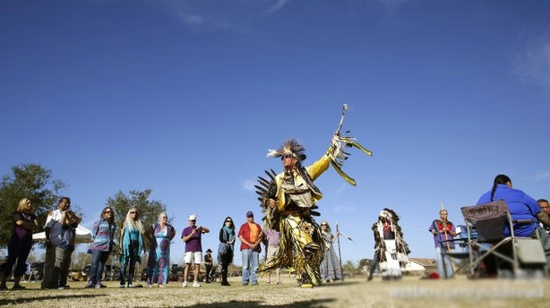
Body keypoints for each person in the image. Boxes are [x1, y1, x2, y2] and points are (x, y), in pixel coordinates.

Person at [477, 174, 550, 266]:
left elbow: (476, 218)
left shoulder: (484, 197)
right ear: (508, 183)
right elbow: (540, 215)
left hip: (497, 236)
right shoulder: (519, 194)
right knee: (547, 243)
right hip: (523, 230)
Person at [41, 197, 80, 290]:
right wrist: (47, 240)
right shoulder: (53, 213)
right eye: (65, 203)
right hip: (54, 241)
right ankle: (46, 283)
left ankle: (60, 283)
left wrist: (70, 214)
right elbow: (47, 227)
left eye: (68, 203)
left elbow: (78, 219)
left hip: (64, 243)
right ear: (59, 204)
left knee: (62, 264)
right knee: (51, 264)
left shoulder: (69, 215)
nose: (67, 205)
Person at [0, 198, 38, 291]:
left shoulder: (33, 216)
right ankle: (3, 283)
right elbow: (19, 222)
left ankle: (17, 284)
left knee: (22, 261)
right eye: (28, 203)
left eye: (31, 203)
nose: (30, 204)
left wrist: (26, 224)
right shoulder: (17, 214)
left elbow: (37, 226)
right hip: (16, 239)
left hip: (27, 240)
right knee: (11, 260)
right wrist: (29, 225)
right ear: (22, 204)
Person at [372, 208, 410, 280]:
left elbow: (399, 234)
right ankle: (387, 276)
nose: (385, 216)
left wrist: (389, 217)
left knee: (394, 260)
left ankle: (396, 276)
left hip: (394, 243)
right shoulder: (378, 226)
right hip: (384, 244)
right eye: (383, 214)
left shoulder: (394, 225)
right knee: (387, 260)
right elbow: (376, 237)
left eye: (386, 214)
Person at [86, 206, 117, 289]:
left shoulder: (113, 224)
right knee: (95, 262)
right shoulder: (98, 222)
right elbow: (93, 233)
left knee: (102, 264)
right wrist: (94, 242)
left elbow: (112, 236)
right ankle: (91, 281)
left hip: (108, 246)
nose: (109, 213)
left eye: (110, 212)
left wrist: (113, 245)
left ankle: (98, 281)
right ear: (104, 214)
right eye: (107, 212)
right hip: (98, 245)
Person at [145, 212, 176, 288]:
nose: (165, 219)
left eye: (166, 217)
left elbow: (174, 233)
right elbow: (146, 233)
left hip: (165, 251)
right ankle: (150, 282)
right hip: (155, 249)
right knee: (153, 264)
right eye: (163, 217)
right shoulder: (154, 226)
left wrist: (168, 240)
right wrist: (151, 240)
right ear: (159, 218)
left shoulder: (169, 227)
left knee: (163, 265)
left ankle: (160, 282)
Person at [118, 207, 145, 288]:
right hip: (127, 244)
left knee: (133, 264)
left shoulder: (138, 223)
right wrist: (120, 246)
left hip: (136, 245)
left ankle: (130, 282)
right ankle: (122, 282)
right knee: (124, 263)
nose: (134, 214)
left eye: (136, 212)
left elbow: (141, 235)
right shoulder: (126, 223)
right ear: (129, 213)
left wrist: (144, 245)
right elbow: (121, 235)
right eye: (132, 212)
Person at [181, 214, 210, 288]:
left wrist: (201, 227)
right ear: (189, 221)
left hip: (198, 249)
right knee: (188, 265)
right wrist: (191, 234)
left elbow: (207, 231)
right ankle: (185, 281)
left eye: (194, 220)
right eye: (191, 220)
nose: (192, 222)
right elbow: (184, 239)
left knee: (197, 265)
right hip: (189, 250)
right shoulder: (185, 230)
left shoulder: (198, 229)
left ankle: (195, 282)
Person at [428, 209, 457, 278]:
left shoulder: (450, 223)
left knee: (449, 260)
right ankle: (442, 275)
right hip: (439, 242)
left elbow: (455, 234)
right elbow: (433, 231)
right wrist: (441, 230)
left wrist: (448, 230)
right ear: (440, 215)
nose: (444, 215)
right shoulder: (435, 222)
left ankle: (450, 275)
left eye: (446, 214)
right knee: (441, 260)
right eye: (443, 214)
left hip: (449, 243)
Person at [56, 209, 80, 289]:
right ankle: (57, 283)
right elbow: (63, 220)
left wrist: (73, 214)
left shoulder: (73, 225)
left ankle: (63, 283)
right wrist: (65, 213)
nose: (71, 219)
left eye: (72, 218)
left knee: (66, 267)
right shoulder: (63, 225)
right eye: (69, 218)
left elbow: (79, 218)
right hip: (61, 247)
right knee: (60, 265)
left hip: (70, 247)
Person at [238, 211, 263, 286]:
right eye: (249, 216)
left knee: (255, 265)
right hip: (245, 247)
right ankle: (245, 281)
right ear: (246, 218)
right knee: (246, 265)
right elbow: (240, 237)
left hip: (255, 247)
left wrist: (256, 244)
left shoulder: (257, 226)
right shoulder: (243, 226)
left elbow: (261, 236)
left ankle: (254, 281)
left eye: (251, 216)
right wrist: (248, 244)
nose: (250, 218)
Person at [218, 216, 236, 286]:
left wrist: (232, 242)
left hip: (230, 249)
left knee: (226, 265)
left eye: (230, 221)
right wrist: (229, 242)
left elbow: (234, 240)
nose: (229, 222)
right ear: (225, 222)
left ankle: (225, 281)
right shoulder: (222, 229)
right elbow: (221, 239)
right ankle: (223, 281)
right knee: (224, 265)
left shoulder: (233, 231)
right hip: (223, 248)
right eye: (227, 221)